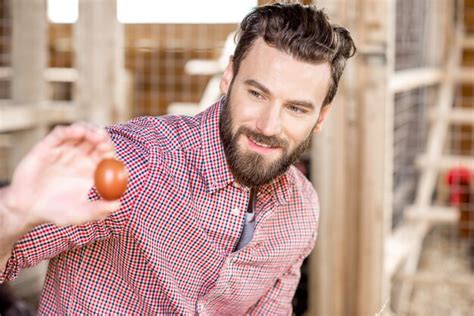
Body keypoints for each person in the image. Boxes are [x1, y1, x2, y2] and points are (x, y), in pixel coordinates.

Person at [0, 3, 356, 314]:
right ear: (228, 76)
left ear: (321, 117)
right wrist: (13, 215)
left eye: (295, 108)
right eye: (257, 93)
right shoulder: (137, 162)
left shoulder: (300, 210)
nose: (268, 125)